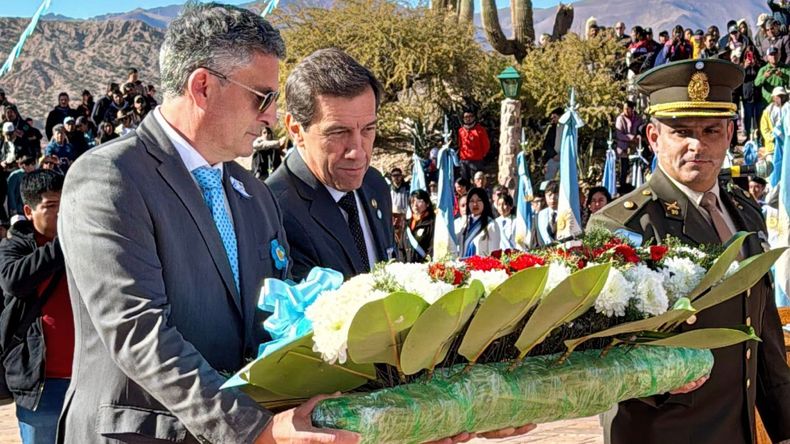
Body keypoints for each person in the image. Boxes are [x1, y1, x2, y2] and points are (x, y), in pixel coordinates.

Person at [56, 4, 358, 443]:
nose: (271, 116)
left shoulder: (254, 194)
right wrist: (254, 430)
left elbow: (276, 320)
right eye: (262, 97)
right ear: (202, 86)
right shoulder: (110, 178)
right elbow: (138, 332)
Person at [589, 58, 790, 444]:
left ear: (730, 134)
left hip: (737, 431)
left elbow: (763, 339)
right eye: (681, 131)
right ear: (652, 137)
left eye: (711, 129)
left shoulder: (745, 214)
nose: (697, 145)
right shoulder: (624, 226)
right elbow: (604, 354)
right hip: (662, 432)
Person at [0, 170, 71, 444]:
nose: (62, 213)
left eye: (66, 204)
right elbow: (14, 281)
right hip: (42, 386)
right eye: (52, 206)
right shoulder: (15, 248)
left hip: (86, 379)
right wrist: (65, 242)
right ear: (29, 211)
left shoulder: (86, 243)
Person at [456, 187, 500, 257]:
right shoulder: (463, 222)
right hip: (462, 265)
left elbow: (493, 254)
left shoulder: (491, 225)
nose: (475, 204)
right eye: (471, 201)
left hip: (481, 266)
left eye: (478, 200)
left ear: (484, 202)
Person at [615, 100, 643, 189]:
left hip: (635, 148)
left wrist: (639, 137)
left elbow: (640, 130)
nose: (626, 111)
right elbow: (619, 134)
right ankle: (623, 187)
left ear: (632, 109)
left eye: (628, 109)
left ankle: (634, 184)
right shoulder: (620, 118)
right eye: (624, 109)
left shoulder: (638, 118)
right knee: (624, 168)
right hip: (623, 148)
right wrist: (631, 137)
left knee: (634, 167)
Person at [402, 189, 435, 263]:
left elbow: (432, 248)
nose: (415, 205)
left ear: (427, 203)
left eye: (419, 201)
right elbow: (401, 248)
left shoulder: (432, 223)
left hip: (423, 268)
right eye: (412, 202)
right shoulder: (407, 223)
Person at [457, 110, 490, 180]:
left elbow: (486, 145)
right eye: (466, 117)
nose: (468, 119)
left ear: (474, 117)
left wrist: (481, 155)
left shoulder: (480, 130)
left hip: (476, 161)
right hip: (464, 161)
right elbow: (460, 144)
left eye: (470, 116)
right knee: (464, 183)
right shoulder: (461, 131)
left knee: (476, 182)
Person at [760, 86, 789, 154]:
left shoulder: (787, 108)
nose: (776, 99)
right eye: (775, 97)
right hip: (772, 147)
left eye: (778, 97)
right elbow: (764, 129)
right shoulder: (768, 111)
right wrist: (772, 138)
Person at [542, 107, 563, 180]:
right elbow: (546, 144)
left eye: (555, 117)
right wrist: (553, 155)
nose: (553, 119)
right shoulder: (551, 128)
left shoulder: (568, 129)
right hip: (552, 158)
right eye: (552, 117)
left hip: (564, 158)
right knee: (549, 180)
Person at [536, 180, 559, 246]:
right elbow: (535, 243)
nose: (553, 199)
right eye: (550, 195)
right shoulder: (538, 216)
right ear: (545, 196)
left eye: (556, 195)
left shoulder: (567, 213)